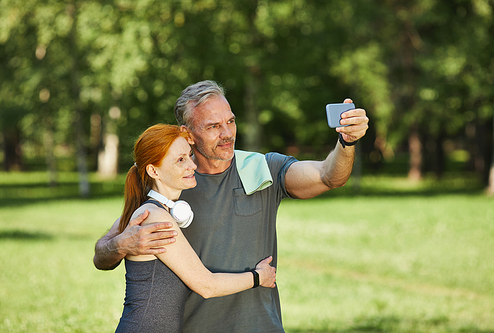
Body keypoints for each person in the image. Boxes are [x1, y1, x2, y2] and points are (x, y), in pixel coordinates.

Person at [94, 80, 369, 332]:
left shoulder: (262, 168)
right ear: (187, 134)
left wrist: (347, 141)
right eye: (213, 126)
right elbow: (101, 255)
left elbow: (328, 176)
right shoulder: (172, 182)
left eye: (230, 122)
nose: (227, 133)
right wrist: (121, 245)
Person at [113, 124, 276, 333]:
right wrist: (258, 277)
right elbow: (207, 286)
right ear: (153, 171)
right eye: (180, 160)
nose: (192, 165)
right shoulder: (154, 217)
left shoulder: (161, 210)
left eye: (189, 156)